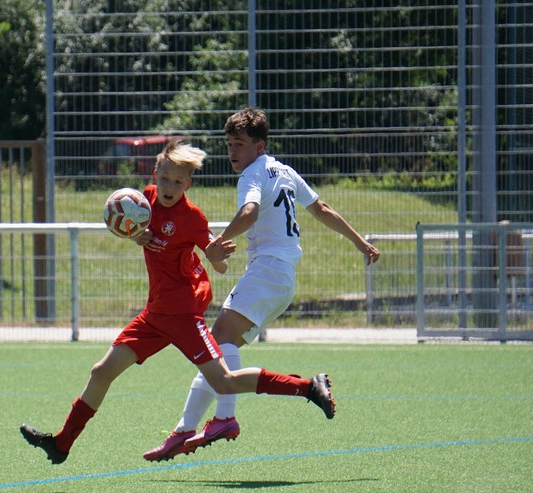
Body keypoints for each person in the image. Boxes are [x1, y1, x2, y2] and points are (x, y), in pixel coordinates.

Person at [19, 140, 333, 465]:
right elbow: (126, 222)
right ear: (155, 175)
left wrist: (215, 256)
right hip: (153, 315)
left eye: (178, 182)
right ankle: (62, 444)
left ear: (188, 185)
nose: (170, 187)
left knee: (224, 381)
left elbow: (219, 263)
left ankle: (308, 387)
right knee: (101, 372)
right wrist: (133, 235)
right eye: (165, 179)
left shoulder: (192, 218)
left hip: (184, 316)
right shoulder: (143, 201)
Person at [143, 107, 381, 462]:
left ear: (259, 146)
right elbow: (321, 209)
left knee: (217, 342)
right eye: (229, 144)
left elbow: (250, 211)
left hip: (269, 270)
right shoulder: (283, 170)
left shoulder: (252, 174)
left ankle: (223, 419)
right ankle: (183, 430)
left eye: (239, 144)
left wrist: (218, 242)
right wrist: (360, 242)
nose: (232, 151)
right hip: (282, 278)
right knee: (217, 355)